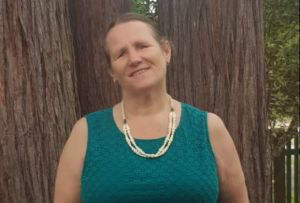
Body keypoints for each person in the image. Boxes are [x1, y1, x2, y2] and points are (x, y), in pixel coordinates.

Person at [54, 12, 249, 203]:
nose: (134, 59)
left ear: (166, 51)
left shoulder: (208, 128)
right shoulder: (86, 133)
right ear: (112, 72)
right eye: (121, 53)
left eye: (141, 46)